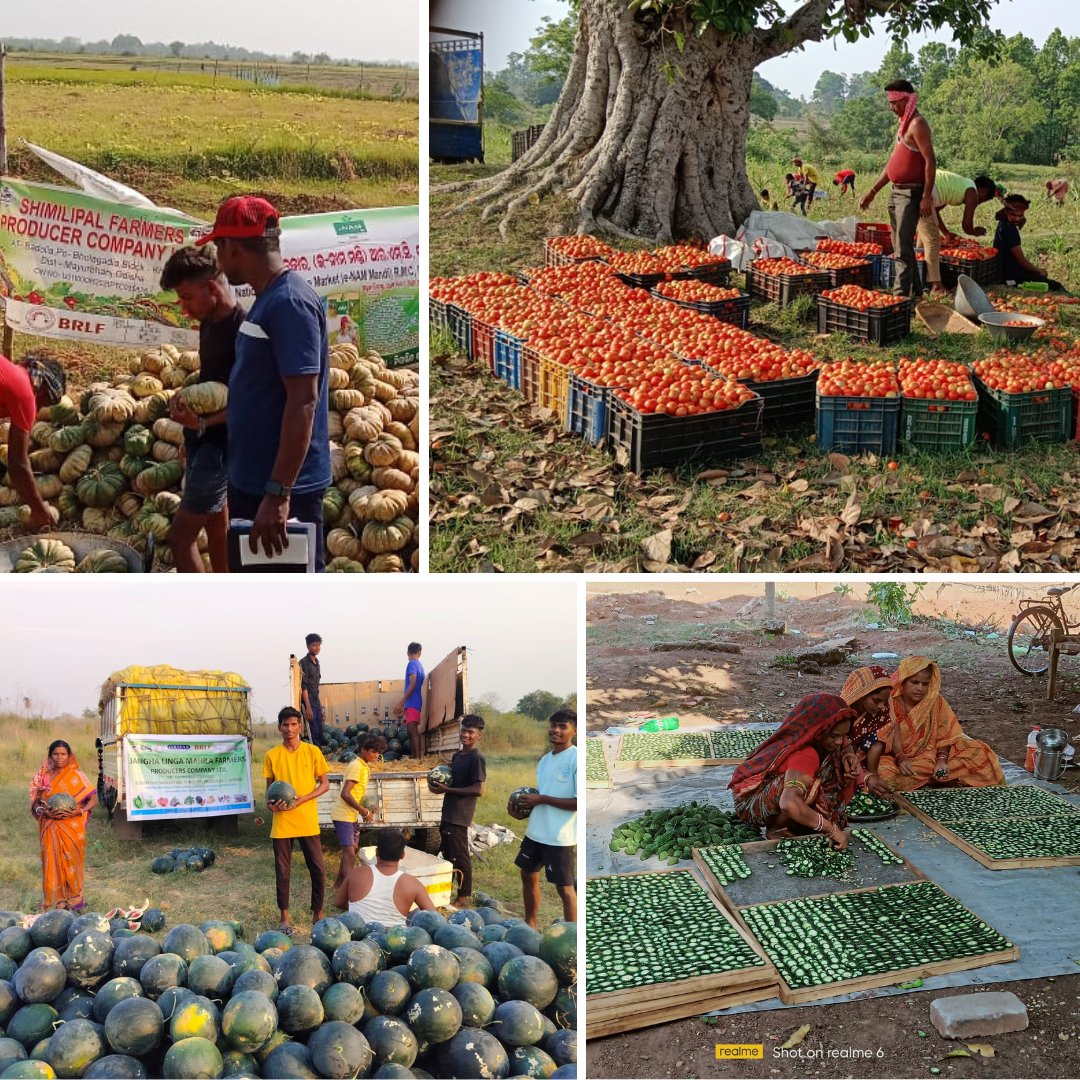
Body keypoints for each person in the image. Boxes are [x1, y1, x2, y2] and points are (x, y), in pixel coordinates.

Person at [195, 196, 331, 570]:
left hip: (282, 489)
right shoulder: (267, 299)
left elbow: (303, 401)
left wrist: (278, 493)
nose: (218, 262)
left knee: (287, 592)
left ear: (232, 248)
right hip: (255, 480)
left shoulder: (289, 304)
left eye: (218, 248)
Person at [158, 246, 244, 573]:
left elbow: (245, 401)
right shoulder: (210, 320)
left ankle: (199, 610)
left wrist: (202, 425)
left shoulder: (243, 329)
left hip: (219, 447)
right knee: (216, 523)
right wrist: (190, 430)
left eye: (186, 297)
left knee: (180, 538)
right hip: (204, 440)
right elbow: (214, 383)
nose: (184, 307)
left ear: (211, 288)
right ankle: (224, 597)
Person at [729, 694, 857, 850]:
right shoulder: (806, 754)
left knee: (827, 782)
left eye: (843, 735)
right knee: (807, 788)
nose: (839, 741)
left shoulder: (828, 740)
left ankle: (800, 819)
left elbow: (845, 743)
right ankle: (777, 828)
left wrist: (849, 755)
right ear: (818, 729)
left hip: (784, 792)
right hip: (753, 802)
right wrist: (830, 829)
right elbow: (788, 802)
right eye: (835, 736)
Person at [876, 657, 1006, 793]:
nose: (919, 688)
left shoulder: (936, 702)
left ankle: (936, 777)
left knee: (979, 753)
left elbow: (945, 736)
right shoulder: (890, 704)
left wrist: (942, 760)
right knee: (884, 771)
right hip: (899, 759)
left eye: (925, 684)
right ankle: (943, 779)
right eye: (914, 682)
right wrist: (901, 759)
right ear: (903, 681)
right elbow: (888, 740)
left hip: (932, 755)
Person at [859, 80, 937, 299]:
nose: (891, 107)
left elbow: (930, 162)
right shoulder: (903, 125)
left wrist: (926, 197)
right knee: (900, 245)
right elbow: (893, 163)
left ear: (905, 100)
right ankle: (917, 293)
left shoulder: (918, 124)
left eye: (893, 102)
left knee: (902, 249)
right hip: (896, 191)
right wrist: (873, 190)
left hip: (911, 193)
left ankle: (899, 297)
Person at [264, 707, 330, 935]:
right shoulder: (272, 755)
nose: (290, 729)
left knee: (318, 869)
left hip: (307, 820)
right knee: (282, 871)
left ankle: (318, 911)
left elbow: (325, 784)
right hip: (282, 823)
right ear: (279, 727)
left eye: (294, 724)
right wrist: (272, 805)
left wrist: (304, 799)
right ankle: (284, 915)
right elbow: (268, 795)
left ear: (300, 726)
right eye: (285, 725)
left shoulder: (312, 752)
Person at [515, 709, 577, 927]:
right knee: (527, 874)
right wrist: (524, 804)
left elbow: (578, 802)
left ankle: (572, 936)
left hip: (559, 835)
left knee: (565, 888)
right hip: (536, 831)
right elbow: (544, 793)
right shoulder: (545, 760)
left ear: (574, 731)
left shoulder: (576, 758)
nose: (556, 730)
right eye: (553, 725)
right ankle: (530, 924)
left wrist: (540, 799)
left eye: (563, 727)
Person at [30, 740, 98, 912]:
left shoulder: (77, 776)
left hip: (72, 827)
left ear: (69, 756)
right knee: (51, 861)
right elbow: (35, 803)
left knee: (72, 861)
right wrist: (42, 811)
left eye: (63, 754)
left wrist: (79, 811)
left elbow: (93, 800)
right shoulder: (43, 776)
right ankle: (55, 901)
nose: (59, 757)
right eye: (56, 754)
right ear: (50, 756)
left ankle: (75, 901)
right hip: (50, 825)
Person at [0, 354, 66, 530]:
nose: (40, 409)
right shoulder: (26, 396)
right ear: (44, 390)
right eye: (46, 403)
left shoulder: (11, 373)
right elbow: (18, 464)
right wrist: (40, 510)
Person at [431, 714, 487, 909]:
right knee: (448, 855)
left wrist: (449, 790)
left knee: (460, 856)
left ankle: (464, 896)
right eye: (463, 730)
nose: (466, 735)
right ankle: (450, 892)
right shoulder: (457, 755)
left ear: (479, 735)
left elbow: (478, 789)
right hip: (448, 812)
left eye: (471, 732)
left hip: (460, 815)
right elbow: (452, 782)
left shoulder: (476, 758)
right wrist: (438, 788)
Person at [916, 172, 1000, 297]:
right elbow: (966, 226)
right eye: (984, 200)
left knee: (924, 240)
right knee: (933, 242)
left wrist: (946, 233)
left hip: (919, 187)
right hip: (923, 191)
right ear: (982, 190)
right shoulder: (972, 192)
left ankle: (919, 278)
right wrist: (975, 231)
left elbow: (935, 211)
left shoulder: (957, 186)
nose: (979, 202)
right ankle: (936, 286)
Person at [334, 828, 438, 927]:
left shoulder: (356, 873)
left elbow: (339, 903)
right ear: (403, 855)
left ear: (376, 852)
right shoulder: (413, 883)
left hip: (358, 932)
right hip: (393, 938)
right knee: (417, 913)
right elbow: (434, 918)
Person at [331, 734, 384, 893]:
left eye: (378, 752)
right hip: (343, 815)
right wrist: (363, 811)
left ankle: (339, 885)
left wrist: (365, 809)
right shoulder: (356, 766)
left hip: (351, 815)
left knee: (351, 851)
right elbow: (345, 794)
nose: (376, 755)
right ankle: (347, 893)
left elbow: (356, 794)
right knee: (350, 855)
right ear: (363, 750)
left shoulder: (363, 766)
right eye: (373, 752)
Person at [838, 666, 899, 792]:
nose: (881, 706)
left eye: (884, 701)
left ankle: (870, 777)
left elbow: (879, 742)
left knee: (879, 741)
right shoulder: (840, 714)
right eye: (876, 700)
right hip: (839, 756)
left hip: (861, 757)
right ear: (861, 693)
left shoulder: (878, 714)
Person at [993, 194, 1065, 291]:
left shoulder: (1004, 223)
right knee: (1055, 286)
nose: (1017, 219)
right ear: (1006, 212)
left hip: (1006, 271)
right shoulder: (1009, 229)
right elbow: (1021, 260)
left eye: (1020, 215)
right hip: (1010, 277)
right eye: (1013, 215)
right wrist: (1039, 271)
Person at [392, 643, 425, 760]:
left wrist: (401, 702)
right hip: (414, 701)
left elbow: (413, 682)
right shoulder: (420, 665)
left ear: (407, 653)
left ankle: (417, 758)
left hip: (412, 702)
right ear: (420, 653)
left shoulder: (411, 664)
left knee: (412, 729)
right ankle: (414, 756)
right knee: (411, 730)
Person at [299, 633, 324, 746]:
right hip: (308, 700)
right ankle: (314, 757)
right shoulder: (303, 663)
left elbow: (316, 688)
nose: (317, 648)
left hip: (315, 700)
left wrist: (320, 707)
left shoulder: (317, 663)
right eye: (314, 645)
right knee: (313, 731)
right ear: (308, 646)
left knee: (320, 730)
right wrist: (308, 707)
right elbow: (304, 687)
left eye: (318, 645)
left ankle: (319, 756)